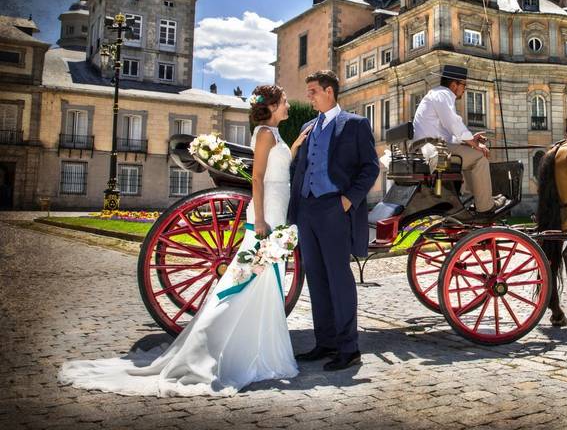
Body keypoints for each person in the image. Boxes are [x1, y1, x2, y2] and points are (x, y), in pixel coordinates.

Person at [59, 85, 302, 396]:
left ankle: (262, 343)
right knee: (246, 280)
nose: (288, 106)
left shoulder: (274, 134)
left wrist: (293, 147)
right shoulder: (266, 134)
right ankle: (216, 342)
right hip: (267, 214)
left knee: (266, 280)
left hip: (276, 208)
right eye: (283, 102)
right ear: (271, 106)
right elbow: (256, 178)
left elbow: (278, 169)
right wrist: (261, 219)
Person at [288, 70, 379, 371]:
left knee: (339, 279)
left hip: (334, 209)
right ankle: (325, 343)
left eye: (313, 90)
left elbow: (370, 168)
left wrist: (348, 200)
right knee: (315, 278)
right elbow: (300, 168)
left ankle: (349, 348)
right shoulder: (307, 126)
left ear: (329, 91)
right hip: (307, 210)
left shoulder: (355, 124)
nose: (309, 96)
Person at [412, 64, 507, 220]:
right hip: (433, 149)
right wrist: (473, 143)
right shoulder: (443, 95)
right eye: (464, 85)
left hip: (430, 147)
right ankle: (485, 206)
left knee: (471, 154)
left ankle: (479, 199)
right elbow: (453, 123)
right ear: (454, 84)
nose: (464, 89)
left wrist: (469, 140)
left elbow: (448, 133)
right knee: (479, 156)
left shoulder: (436, 94)